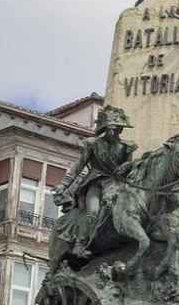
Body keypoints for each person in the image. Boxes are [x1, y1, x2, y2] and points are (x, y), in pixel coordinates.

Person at [53, 106, 137, 258]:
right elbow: (79, 165)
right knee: (93, 212)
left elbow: (129, 171)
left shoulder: (126, 147)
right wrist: (64, 184)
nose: (114, 131)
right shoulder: (93, 144)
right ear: (105, 128)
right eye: (111, 128)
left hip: (117, 185)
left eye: (117, 128)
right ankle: (80, 244)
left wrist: (127, 169)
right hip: (96, 183)